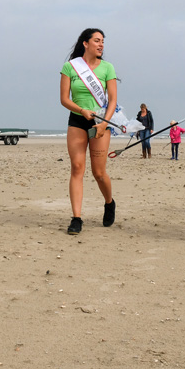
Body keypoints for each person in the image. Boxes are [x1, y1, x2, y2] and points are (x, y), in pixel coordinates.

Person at [59, 28, 117, 235]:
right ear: (85, 43)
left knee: (99, 173)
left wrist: (104, 124)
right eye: (97, 41)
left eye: (103, 41)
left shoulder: (108, 68)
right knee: (76, 167)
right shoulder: (70, 67)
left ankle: (109, 202)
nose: (101, 45)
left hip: (101, 122)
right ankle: (76, 218)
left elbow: (112, 100)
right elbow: (64, 99)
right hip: (77, 119)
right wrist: (81, 110)